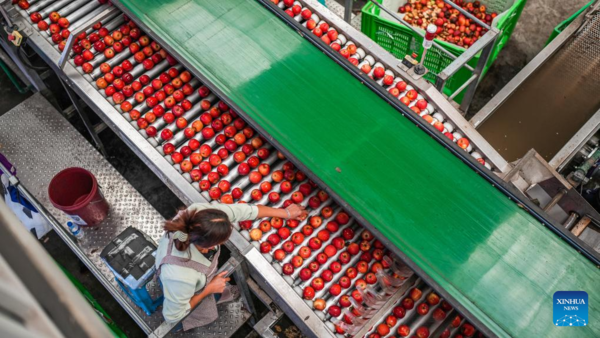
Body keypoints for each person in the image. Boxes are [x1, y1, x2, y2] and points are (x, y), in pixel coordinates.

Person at [155, 202, 308, 331]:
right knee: (191, 310)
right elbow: (172, 316)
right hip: (180, 293)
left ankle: (215, 292)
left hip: (190, 278)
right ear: (209, 246)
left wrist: (286, 213)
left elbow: (246, 211)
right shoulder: (180, 276)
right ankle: (207, 301)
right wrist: (209, 289)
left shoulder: (200, 216)